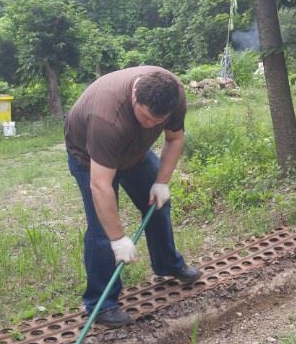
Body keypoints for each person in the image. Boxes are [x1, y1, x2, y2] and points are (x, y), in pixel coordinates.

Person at [64, 66, 202, 328]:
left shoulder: (174, 95)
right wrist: (118, 239)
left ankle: (167, 264)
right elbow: (100, 185)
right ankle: (101, 303)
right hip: (89, 158)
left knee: (159, 204)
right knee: (102, 230)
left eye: (158, 121)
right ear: (135, 95)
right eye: (146, 118)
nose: (151, 125)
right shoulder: (106, 117)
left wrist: (161, 182)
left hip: (135, 153)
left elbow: (174, 139)